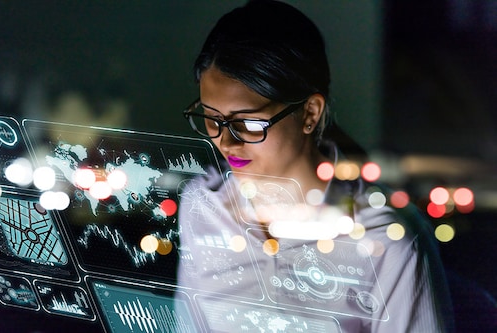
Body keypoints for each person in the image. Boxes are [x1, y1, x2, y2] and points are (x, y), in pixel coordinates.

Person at [177, 1, 454, 332]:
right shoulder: (203, 207)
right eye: (211, 119)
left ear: (309, 113)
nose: (227, 142)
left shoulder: (384, 238)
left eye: (248, 122)